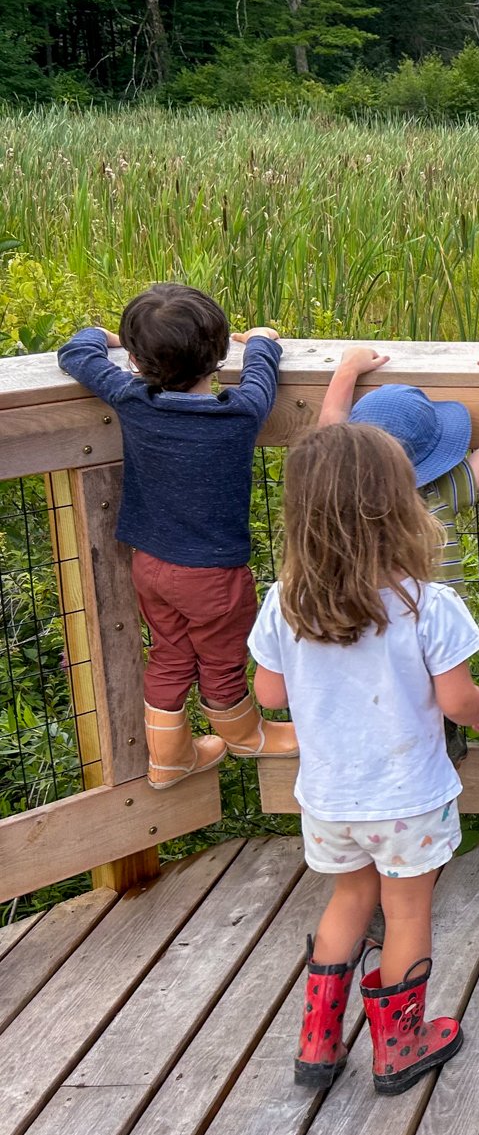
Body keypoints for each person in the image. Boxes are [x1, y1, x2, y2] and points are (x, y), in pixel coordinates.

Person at [249, 423, 479, 1095]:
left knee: (349, 897)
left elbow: (269, 694)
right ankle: (399, 1045)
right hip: (407, 796)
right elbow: (458, 701)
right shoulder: (429, 605)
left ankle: (318, 1043)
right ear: (400, 506)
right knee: (408, 911)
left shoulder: (285, 602)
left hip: (328, 796)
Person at [57, 285, 295, 787]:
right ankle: (246, 737)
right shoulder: (240, 413)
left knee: (169, 653)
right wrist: (265, 341)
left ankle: (168, 759)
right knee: (222, 656)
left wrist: (103, 337)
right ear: (220, 354)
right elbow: (260, 374)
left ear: (139, 360)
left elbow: (77, 353)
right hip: (213, 573)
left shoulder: (132, 397)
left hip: (150, 564)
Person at [317, 342, 479, 764]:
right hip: (434, 649)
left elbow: (328, 428)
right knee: (435, 744)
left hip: (362, 642)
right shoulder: (441, 492)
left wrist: (348, 370)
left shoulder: (341, 496)